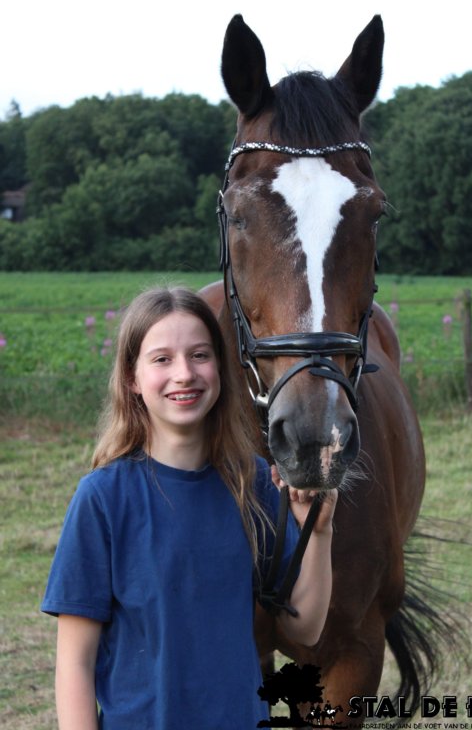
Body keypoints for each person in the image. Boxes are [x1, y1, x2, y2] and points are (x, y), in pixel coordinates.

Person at [41, 286, 337, 729]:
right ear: (132, 378)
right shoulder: (103, 499)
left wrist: (319, 533)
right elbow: (74, 663)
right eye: (162, 359)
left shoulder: (255, 483)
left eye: (200, 355)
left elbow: (305, 629)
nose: (184, 374)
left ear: (220, 368)